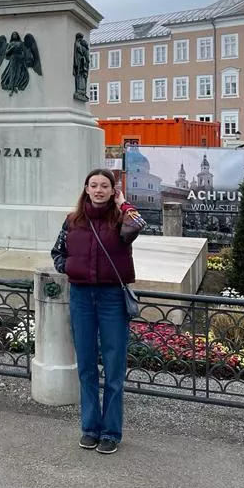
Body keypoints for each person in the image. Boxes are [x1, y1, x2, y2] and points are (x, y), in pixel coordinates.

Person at [51, 169, 146, 454]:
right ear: (86, 189)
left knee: (114, 366)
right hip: (81, 296)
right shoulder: (73, 221)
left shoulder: (121, 220)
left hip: (112, 297)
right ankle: (90, 428)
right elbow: (57, 253)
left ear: (113, 191)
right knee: (87, 365)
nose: (99, 190)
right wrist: (69, 268)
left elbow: (140, 224)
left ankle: (111, 432)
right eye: (94, 185)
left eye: (105, 186)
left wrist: (124, 203)